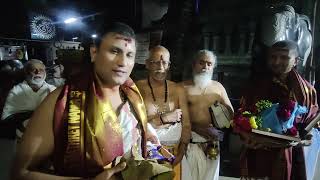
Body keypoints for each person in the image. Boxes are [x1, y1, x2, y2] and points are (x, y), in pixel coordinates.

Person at [11, 22, 164, 180]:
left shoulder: (131, 94)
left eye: (129, 55)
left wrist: (146, 133)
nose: (123, 62)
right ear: (94, 52)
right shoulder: (62, 102)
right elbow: (20, 173)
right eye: (114, 51)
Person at [239, 40, 318, 180]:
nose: (276, 62)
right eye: (273, 57)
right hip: (258, 150)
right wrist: (245, 136)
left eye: (284, 57)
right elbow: (242, 114)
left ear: (296, 61)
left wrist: (308, 137)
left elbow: (312, 120)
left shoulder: (307, 91)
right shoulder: (255, 86)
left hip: (290, 153)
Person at [136, 45, 191, 180]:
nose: (160, 66)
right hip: (146, 153)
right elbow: (133, 124)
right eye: (155, 62)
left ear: (169, 65)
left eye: (164, 62)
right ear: (147, 64)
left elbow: (187, 124)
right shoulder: (137, 88)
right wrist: (162, 119)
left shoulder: (178, 89)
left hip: (175, 152)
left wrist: (181, 153)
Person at [181, 50, 234, 180]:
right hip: (189, 141)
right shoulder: (181, 87)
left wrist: (220, 113)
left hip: (212, 142)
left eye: (209, 64)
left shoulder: (218, 87)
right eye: (201, 62)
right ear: (194, 64)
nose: (205, 67)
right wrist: (196, 129)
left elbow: (231, 115)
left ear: (213, 67)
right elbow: (175, 119)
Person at [1, 59, 56, 142]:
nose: (38, 72)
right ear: (26, 72)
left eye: (41, 70)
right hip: (23, 140)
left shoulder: (53, 90)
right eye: (33, 70)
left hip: (48, 139)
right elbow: (6, 120)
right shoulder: (16, 91)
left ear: (45, 72)